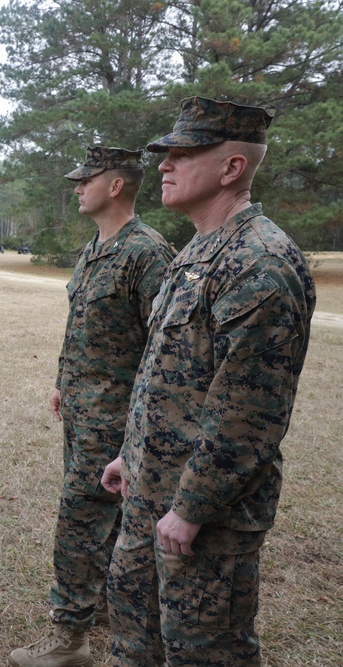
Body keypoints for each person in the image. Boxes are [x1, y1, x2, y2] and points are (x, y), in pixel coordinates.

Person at [100, 97, 316, 666]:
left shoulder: (260, 263)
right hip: (153, 490)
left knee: (203, 649)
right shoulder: (197, 250)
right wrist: (132, 453)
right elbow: (167, 375)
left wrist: (192, 507)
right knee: (134, 627)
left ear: (231, 168)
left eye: (183, 154)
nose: (165, 166)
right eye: (166, 155)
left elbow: (248, 412)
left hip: (206, 518)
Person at [9, 146, 174, 667]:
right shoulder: (95, 248)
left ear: (116, 185)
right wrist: (63, 380)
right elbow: (81, 324)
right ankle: (99, 602)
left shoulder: (146, 252)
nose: (77, 187)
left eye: (87, 180)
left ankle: (69, 636)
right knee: (97, 513)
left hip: (117, 416)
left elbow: (165, 347)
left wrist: (140, 425)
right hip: (82, 408)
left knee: (79, 516)